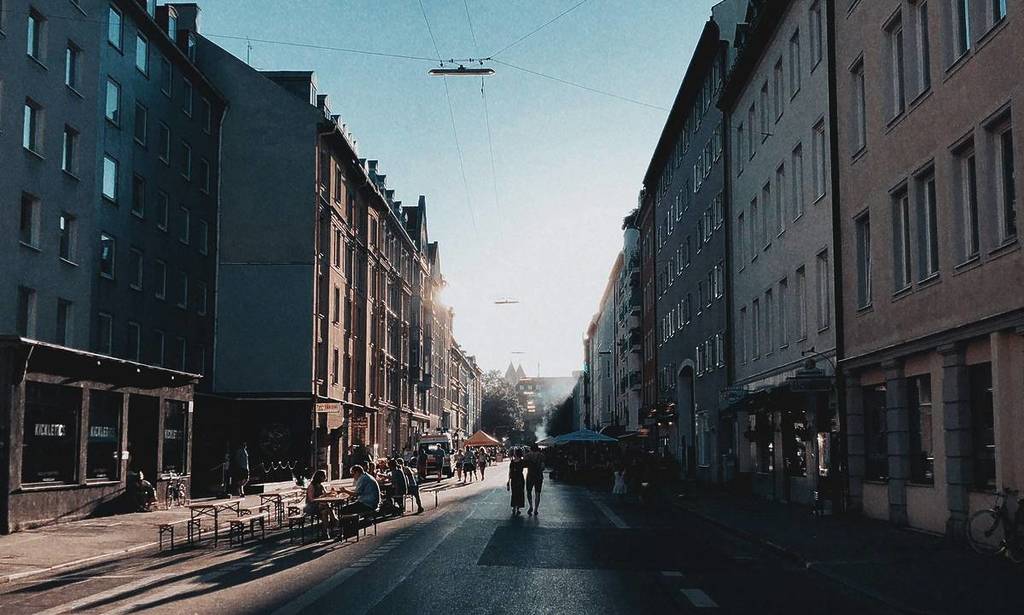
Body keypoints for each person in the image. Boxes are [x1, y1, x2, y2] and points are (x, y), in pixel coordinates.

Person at [305, 469, 338, 538]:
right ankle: (334, 520)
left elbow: (325, 494)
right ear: (320, 477)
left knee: (324, 512)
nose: (325, 478)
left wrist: (331, 493)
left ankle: (325, 533)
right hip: (311, 506)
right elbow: (311, 499)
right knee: (326, 506)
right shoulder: (312, 486)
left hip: (320, 506)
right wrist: (321, 497)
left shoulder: (321, 486)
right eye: (324, 476)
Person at [525, 443, 544, 515]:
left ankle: (531, 506)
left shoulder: (527, 455)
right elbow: (543, 467)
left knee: (529, 492)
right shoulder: (541, 455)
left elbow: (525, 465)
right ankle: (536, 509)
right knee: (538, 493)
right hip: (539, 476)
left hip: (530, 476)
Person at [507, 448, 526, 515]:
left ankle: (514, 507)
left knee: (514, 493)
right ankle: (518, 508)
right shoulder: (522, 461)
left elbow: (510, 472)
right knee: (520, 493)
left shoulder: (512, 462)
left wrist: (508, 481)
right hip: (520, 478)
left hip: (514, 479)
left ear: (515, 454)